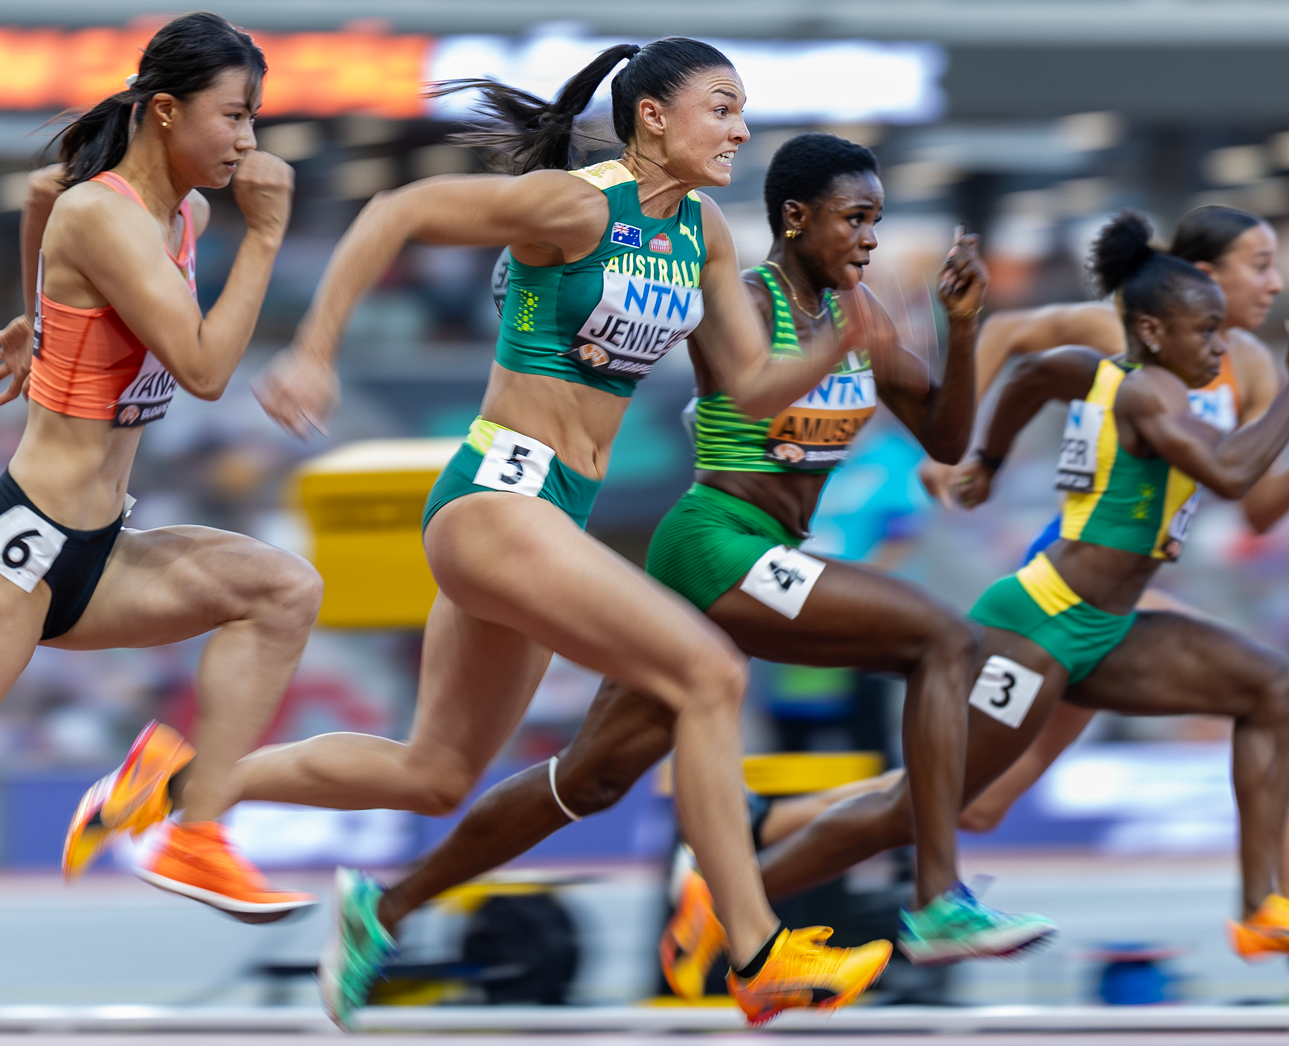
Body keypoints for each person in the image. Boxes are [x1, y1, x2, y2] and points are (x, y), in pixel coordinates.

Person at [303, 132, 1056, 1003]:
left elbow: (947, 436)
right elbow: (744, 383)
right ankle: (934, 901)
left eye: (877, 222)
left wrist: (964, 332)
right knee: (941, 641)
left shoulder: (866, 323)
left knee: (590, 779)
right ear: (794, 218)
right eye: (854, 219)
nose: (869, 240)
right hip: (716, 543)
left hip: (773, 555)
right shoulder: (739, 297)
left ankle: (383, 911)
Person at [241, 42, 890, 1027]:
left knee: (435, 771)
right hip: (498, 497)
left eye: (743, 111)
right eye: (722, 108)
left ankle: (198, 777)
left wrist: (843, 341)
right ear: (654, 118)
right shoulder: (580, 206)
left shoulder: (704, 233)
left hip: (555, 514)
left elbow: (754, 388)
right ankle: (756, 948)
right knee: (708, 674)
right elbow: (398, 211)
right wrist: (314, 351)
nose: (741, 130)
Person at [732, 212, 1289, 967]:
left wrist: (992, 462)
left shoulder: (1210, 368)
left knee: (1270, 687)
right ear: (1168, 311)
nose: (1267, 290)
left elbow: (1042, 380)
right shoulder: (1147, 385)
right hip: (1041, 621)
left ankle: (1269, 908)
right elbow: (1220, 465)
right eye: (1257, 267)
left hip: (1104, 622)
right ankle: (731, 896)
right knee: (932, 809)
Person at [0, 13, 318, 920]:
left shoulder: (182, 213)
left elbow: (33, 193)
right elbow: (208, 371)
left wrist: (36, 320)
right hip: (13, 555)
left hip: (97, 553)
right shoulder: (104, 214)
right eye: (235, 117)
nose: (248, 142)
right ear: (167, 112)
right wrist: (264, 239)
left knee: (282, 590)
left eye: (256, 119)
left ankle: (193, 832)